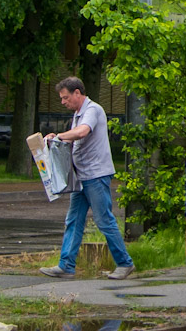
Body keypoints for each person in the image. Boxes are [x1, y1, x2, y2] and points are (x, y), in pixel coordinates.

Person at [38, 76, 136, 280]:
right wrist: (55, 140)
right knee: (73, 219)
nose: (63, 102)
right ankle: (66, 266)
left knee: (104, 220)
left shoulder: (93, 110)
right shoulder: (77, 114)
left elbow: (82, 132)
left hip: (96, 175)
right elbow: (74, 136)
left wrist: (59, 136)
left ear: (77, 93)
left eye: (65, 98)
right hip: (81, 176)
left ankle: (125, 263)